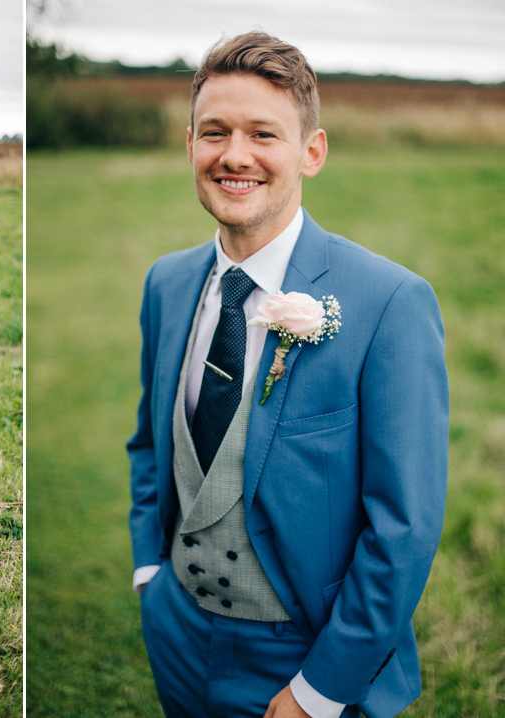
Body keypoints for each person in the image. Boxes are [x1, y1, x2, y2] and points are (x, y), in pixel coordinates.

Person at [127, 32, 448, 718]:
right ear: (190, 146)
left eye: (263, 134)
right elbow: (151, 444)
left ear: (312, 151)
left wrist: (321, 688)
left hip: (303, 653)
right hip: (177, 631)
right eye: (214, 132)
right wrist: (149, 572)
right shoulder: (167, 283)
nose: (234, 155)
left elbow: (405, 524)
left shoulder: (389, 302)